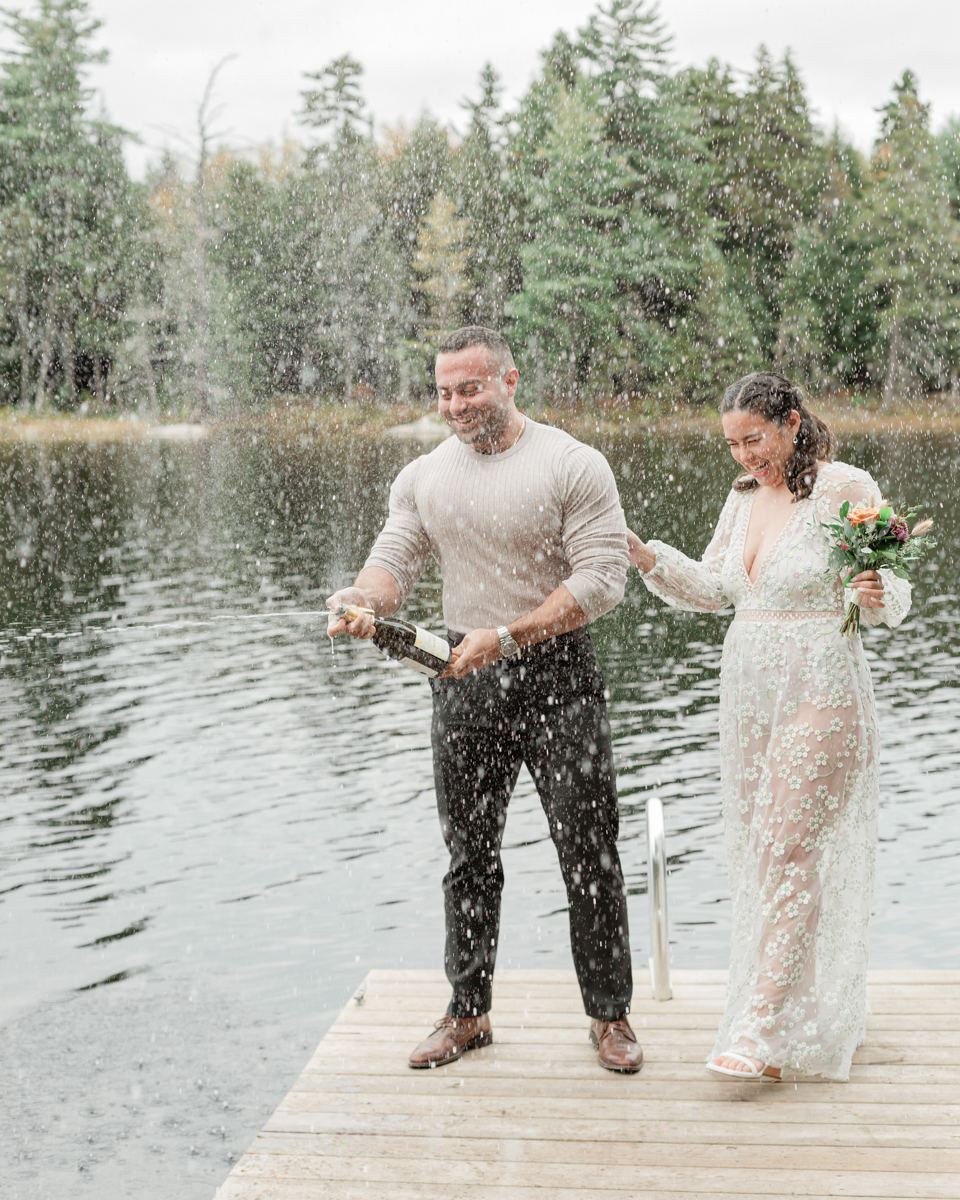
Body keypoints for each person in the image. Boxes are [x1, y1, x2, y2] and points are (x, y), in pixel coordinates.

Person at [327, 326, 642, 1073]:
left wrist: (509, 635)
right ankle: (469, 1013)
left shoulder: (573, 464)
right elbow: (392, 563)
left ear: (510, 380)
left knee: (589, 855)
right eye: (443, 391)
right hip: (463, 678)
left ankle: (611, 1018)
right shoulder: (423, 476)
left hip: (559, 676)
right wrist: (360, 599)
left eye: (470, 388)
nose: (455, 405)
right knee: (468, 856)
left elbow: (602, 581)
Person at [628, 371, 911, 1082]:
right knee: (767, 857)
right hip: (751, 693)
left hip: (821, 683)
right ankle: (793, 1011)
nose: (744, 457)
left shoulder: (847, 486)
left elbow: (889, 590)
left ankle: (760, 1028)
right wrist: (647, 557)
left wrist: (870, 590)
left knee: (788, 850)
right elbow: (720, 589)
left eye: (753, 439)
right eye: (731, 445)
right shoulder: (743, 496)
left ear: (789, 423)